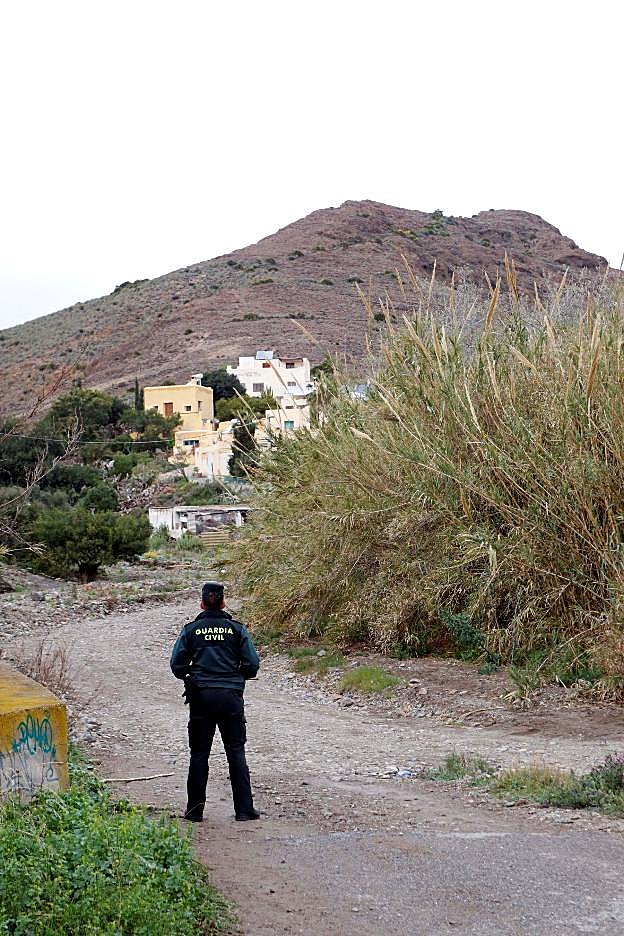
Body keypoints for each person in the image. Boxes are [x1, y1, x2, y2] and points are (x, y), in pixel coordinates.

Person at [170, 580, 260, 822]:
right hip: (231, 698)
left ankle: (194, 812)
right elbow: (252, 665)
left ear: (201, 602)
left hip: (201, 698)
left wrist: (194, 673)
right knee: (236, 752)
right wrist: (236, 674)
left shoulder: (191, 630)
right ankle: (244, 810)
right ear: (223, 602)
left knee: (199, 754)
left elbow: (176, 666)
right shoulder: (237, 629)